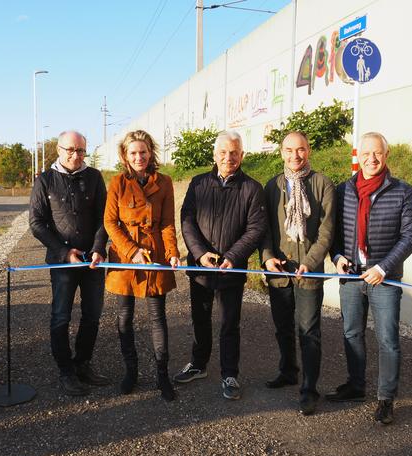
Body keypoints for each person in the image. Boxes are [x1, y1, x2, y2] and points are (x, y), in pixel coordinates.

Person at [326, 132, 412, 425]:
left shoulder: (403, 191)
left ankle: (385, 399)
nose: (372, 159)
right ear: (358, 156)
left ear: (387, 154)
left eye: (377, 153)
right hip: (351, 278)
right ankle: (356, 386)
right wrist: (337, 257)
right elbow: (332, 232)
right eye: (366, 153)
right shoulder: (343, 190)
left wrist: (383, 268)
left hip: (385, 279)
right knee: (352, 333)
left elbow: (411, 236)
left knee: (388, 340)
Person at [174, 130, 266, 400]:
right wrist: (200, 253)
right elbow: (187, 220)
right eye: (223, 152)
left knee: (229, 323)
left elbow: (255, 228)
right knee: (200, 319)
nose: (229, 157)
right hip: (201, 267)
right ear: (214, 155)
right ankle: (199, 364)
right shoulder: (198, 183)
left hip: (231, 269)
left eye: (234, 152)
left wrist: (233, 256)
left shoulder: (252, 188)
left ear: (242, 155)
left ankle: (230, 374)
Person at [260, 131, 336, 416]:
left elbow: (327, 232)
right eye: (289, 150)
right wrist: (267, 258)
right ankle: (288, 370)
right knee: (282, 326)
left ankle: (309, 388)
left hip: (309, 271)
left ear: (309, 151)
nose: (295, 155)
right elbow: (264, 228)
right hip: (279, 269)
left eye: (301, 149)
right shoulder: (272, 186)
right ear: (281, 153)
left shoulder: (322, 184)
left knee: (309, 331)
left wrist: (312, 261)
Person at [29, 130, 110, 396]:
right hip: (62, 261)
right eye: (70, 150)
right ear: (59, 150)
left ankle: (83, 363)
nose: (76, 155)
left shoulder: (95, 177)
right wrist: (64, 252)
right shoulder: (45, 180)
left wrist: (99, 248)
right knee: (61, 316)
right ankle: (66, 371)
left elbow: (104, 218)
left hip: (92, 261)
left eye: (81, 150)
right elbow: (37, 223)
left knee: (92, 315)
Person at [104, 130, 180, 402]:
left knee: (157, 317)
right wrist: (131, 250)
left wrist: (172, 252)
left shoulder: (165, 182)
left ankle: (162, 374)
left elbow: (168, 223)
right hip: (125, 256)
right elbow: (110, 223)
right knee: (124, 317)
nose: (139, 157)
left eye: (143, 152)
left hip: (154, 255)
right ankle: (131, 372)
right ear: (125, 156)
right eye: (133, 152)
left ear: (151, 153)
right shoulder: (116, 183)